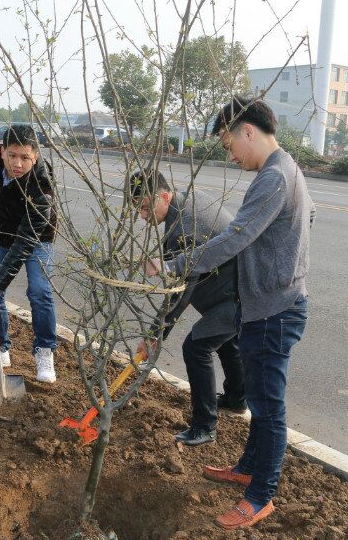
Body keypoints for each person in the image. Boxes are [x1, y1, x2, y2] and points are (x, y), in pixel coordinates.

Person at [146, 96, 315, 530]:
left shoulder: (274, 178)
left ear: (247, 130)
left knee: (268, 407)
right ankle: (248, 468)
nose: (230, 153)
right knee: (259, 400)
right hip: (266, 303)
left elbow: (235, 238)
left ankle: (260, 496)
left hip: (274, 310)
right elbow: (305, 217)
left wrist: (174, 265)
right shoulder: (283, 172)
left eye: (227, 143)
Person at [130, 169, 245, 448]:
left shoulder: (184, 229)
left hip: (240, 294)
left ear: (165, 196)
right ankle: (236, 399)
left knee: (196, 347)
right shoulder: (185, 201)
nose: (143, 216)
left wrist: (157, 332)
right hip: (233, 290)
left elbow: (181, 291)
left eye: (146, 207)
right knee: (226, 341)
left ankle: (204, 427)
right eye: (138, 209)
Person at [0, 124, 58, 383]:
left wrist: (1, 281)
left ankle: (44, 351)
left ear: (36, 156)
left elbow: (27, 240)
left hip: (37, 239)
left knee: (40, 292)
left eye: (25, 158)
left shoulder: (43, 184)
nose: (17, 164)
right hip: (5, 233)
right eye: (12, 155)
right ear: (2, 152)